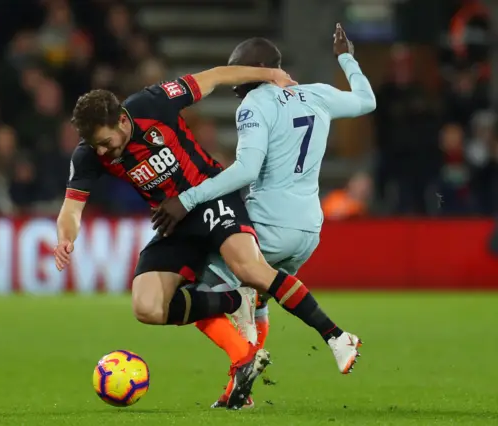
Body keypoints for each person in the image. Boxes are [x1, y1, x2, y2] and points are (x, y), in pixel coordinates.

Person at [151, 24, 376, 407]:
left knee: (193, 292)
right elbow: (366, 101)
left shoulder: (254, 104)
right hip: (308, 229)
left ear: (257, 68)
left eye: (237, 69)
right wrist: (346, 57)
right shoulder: (316, 95)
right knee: (257, 300)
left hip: (268, 223)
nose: (233, 80)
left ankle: (254, 357)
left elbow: (246, 170)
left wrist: (187, 199)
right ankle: (239, 394)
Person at [54, 64, 300, 410]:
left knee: (248, 268)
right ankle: (236, 316)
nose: (102, 152)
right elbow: (71, 209)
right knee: (147, 306)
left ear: (122, 121)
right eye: (95, 145)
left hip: (212, 199)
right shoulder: (89, 154)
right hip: (174, 223)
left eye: (106, 143)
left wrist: (270, 74)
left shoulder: (154, 103)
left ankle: (303, 330)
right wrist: (66, 238)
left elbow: (213, 77)